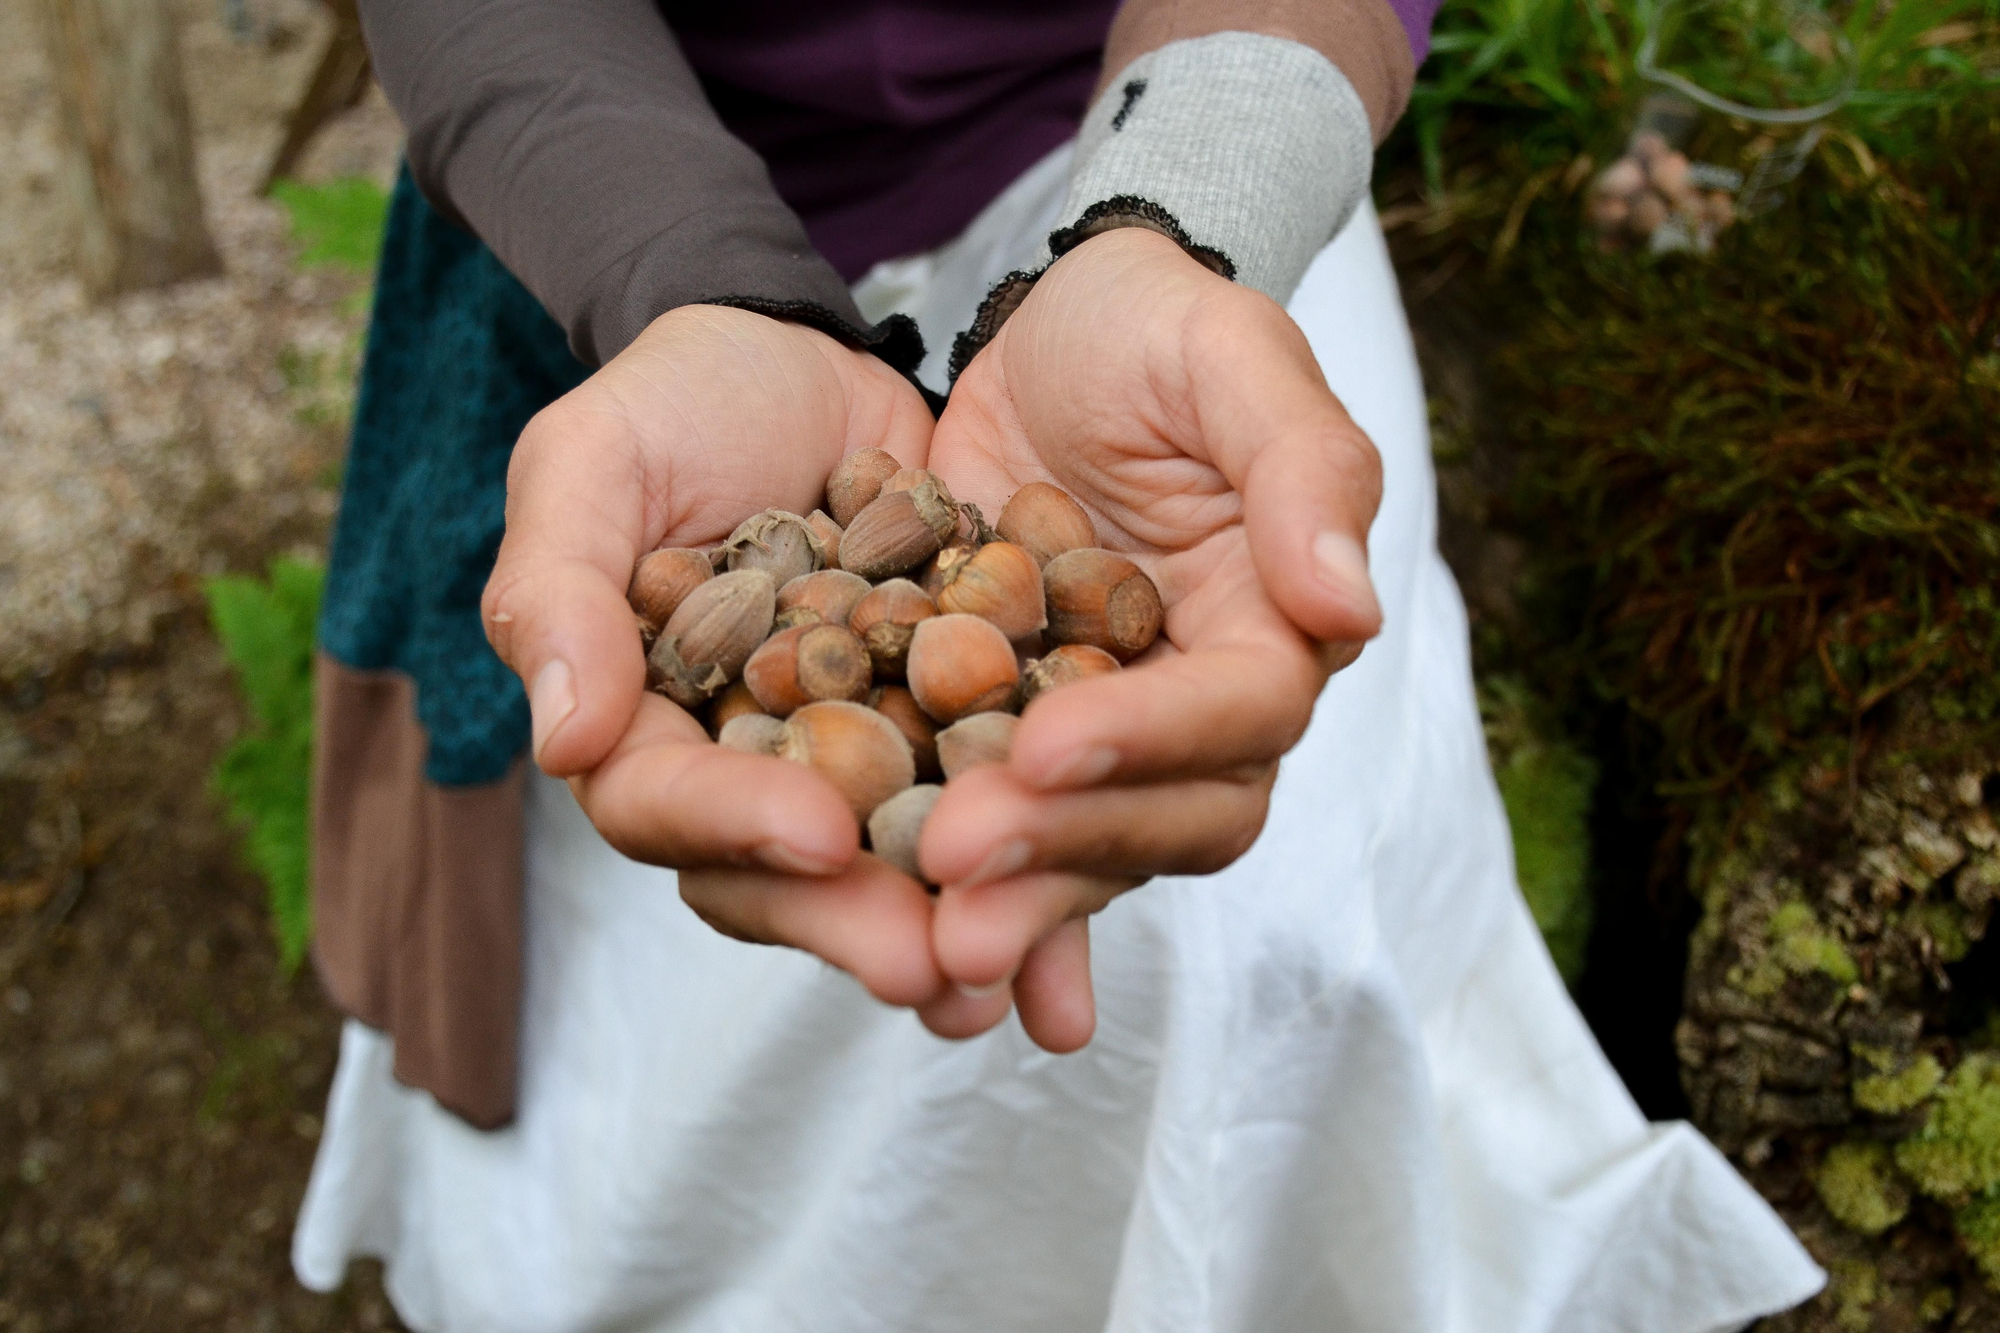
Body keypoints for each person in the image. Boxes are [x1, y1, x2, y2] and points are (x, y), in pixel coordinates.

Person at [293, 1, 1826, 1328]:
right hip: (617, 212)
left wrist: (1185, 215)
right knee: (678, 1081)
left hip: (1168, 163)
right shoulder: (826, 579)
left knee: (1254, 930)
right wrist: (684, 273)